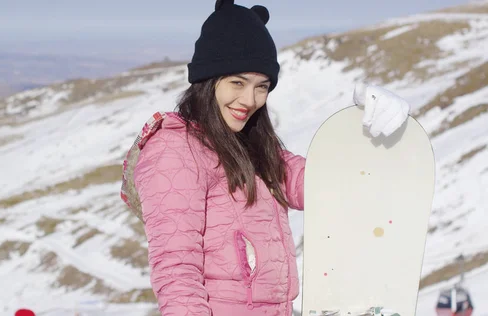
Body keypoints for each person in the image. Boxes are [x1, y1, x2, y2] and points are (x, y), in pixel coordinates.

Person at [120, 0, 410, 315]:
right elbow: (177, 271)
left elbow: (322, 186)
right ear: (206, 80)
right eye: (237, 83)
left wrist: (364, 131)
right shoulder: (176, 150)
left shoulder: (251, 144)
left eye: (262, 87)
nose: (249, 100)